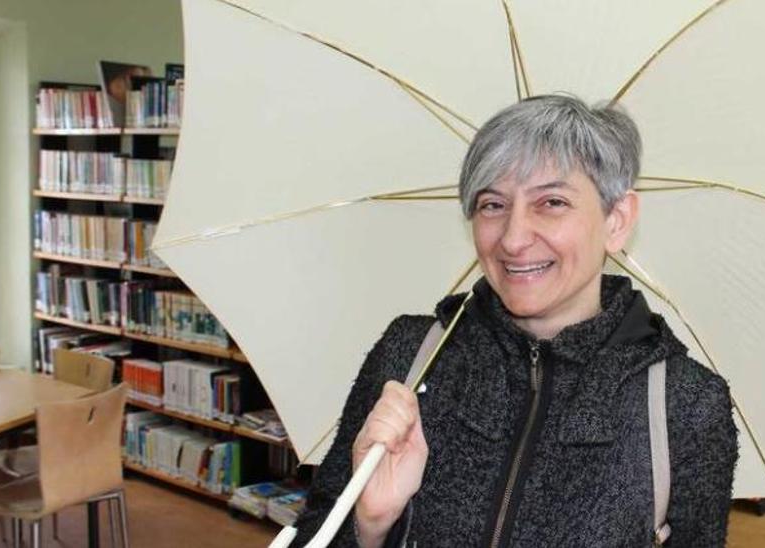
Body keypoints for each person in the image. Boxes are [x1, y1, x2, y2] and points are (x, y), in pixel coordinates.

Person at [292, 95, 738, 547]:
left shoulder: (685, 404)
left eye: (552, 202)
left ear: (616, 221)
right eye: (492, 205)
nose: (513, 238)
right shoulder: (412, 355)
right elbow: (317, 527)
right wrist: (370, 525)